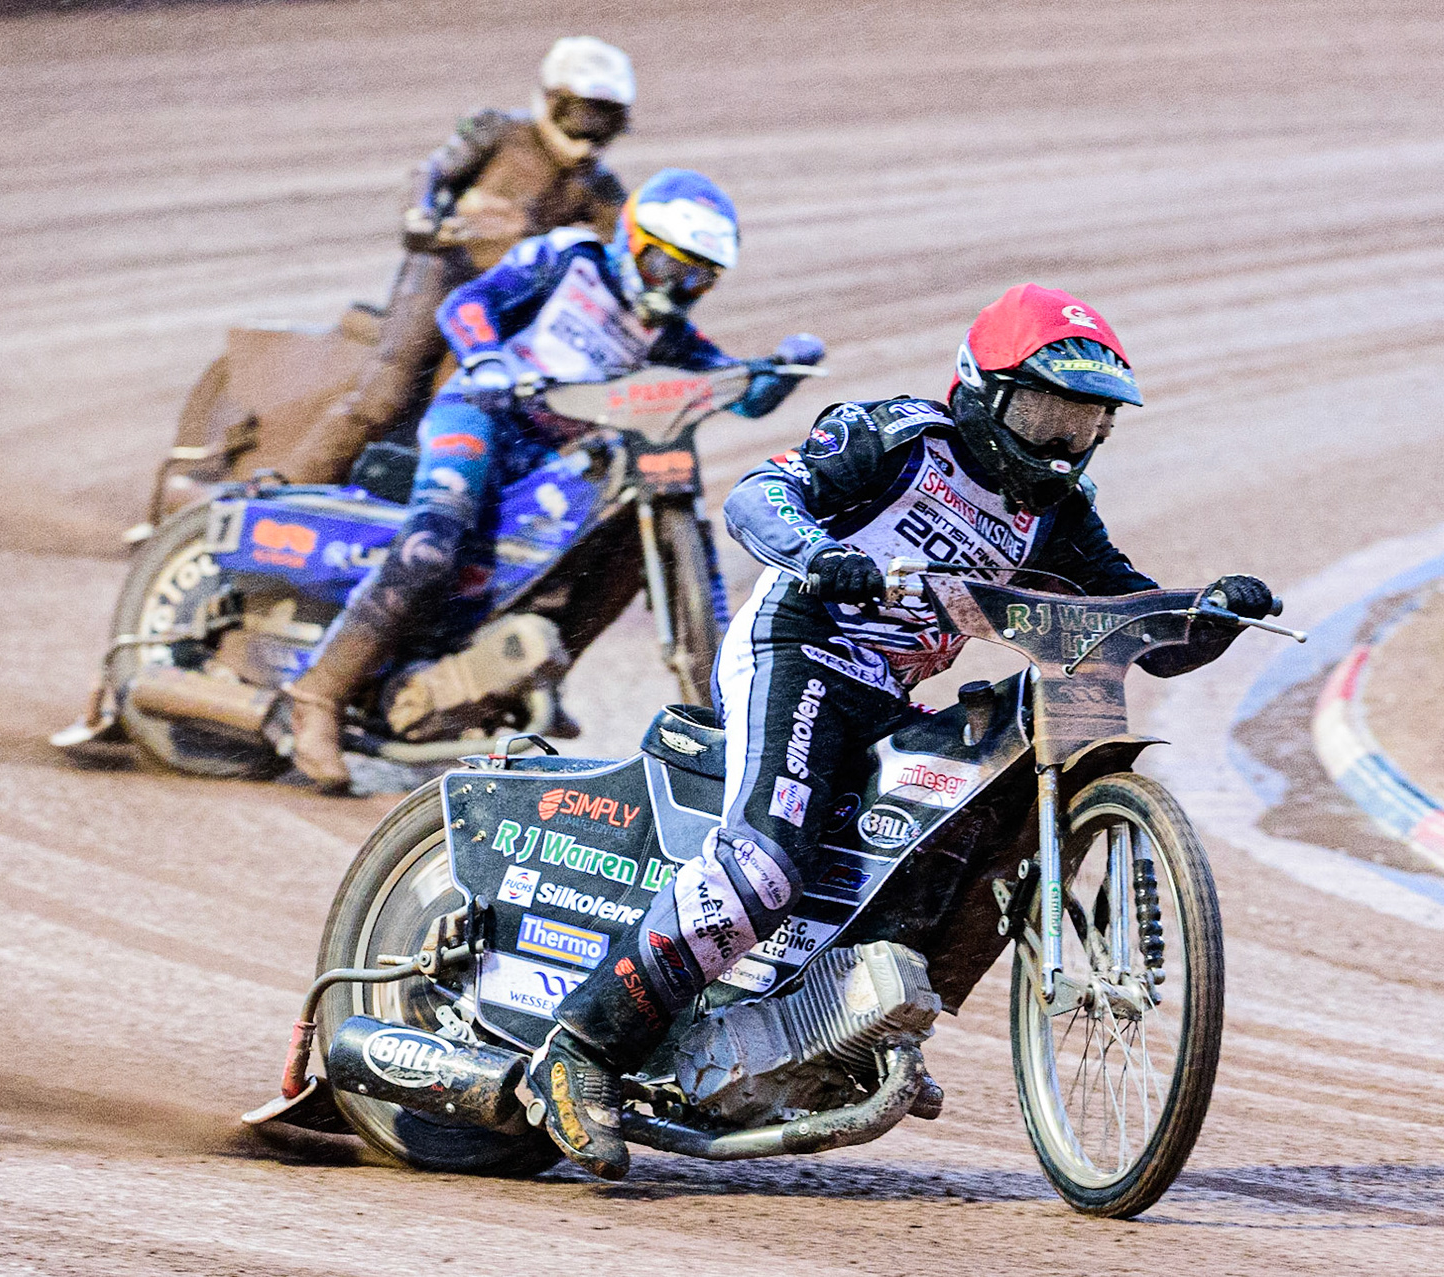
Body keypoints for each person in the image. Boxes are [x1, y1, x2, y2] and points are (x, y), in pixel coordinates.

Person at [531, 283, 1277, 1179]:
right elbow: (760, 496)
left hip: (886, 690)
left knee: (953, 825)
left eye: (1082, 425)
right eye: (1044, 415)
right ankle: (579, 1049)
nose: (1059, 444)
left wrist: (1208, 615)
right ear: (983, 393)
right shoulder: (896, 438)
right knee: (764, 868)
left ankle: (838, 1023)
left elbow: (1133, 623)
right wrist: (821, 554)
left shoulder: (1058, 515)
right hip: (799, 650)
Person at [277, 169, 826, 792]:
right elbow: (466, 305)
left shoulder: (671, 335)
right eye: (666, 266)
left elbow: (740, 395)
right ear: (633, 240)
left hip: (557, 454)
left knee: (614, 550)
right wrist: (487, 358)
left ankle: (537, 670)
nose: (676, 287)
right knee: (435, 540)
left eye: (697, 277)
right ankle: (317, 696)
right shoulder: (570, 258)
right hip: (482, 415)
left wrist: (784, 369)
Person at [277, 36, 638, 486]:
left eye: (606, 122)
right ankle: (283, 487)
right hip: (444, 274)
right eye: (584, 117)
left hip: (503, 307)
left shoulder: (602, 188)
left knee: (485, 407)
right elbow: (430, 171)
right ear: (551, 102)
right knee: (385, 392)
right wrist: (420, 215)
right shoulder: (497, 131)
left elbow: (630, 255)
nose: (590, 136)